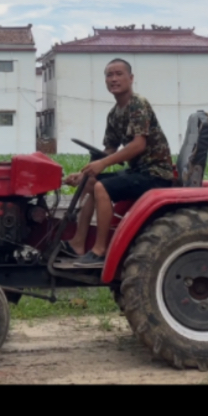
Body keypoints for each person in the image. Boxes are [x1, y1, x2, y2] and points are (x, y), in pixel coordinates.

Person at [62, 58, 175, 267]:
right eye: (109, 75)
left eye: (118, 74)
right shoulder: (114, 114)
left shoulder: (137, 104)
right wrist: (83, 172)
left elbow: (138, 145)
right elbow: (109, 150)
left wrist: (103, 164)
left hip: (155, 173)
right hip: (137, 172)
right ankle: (78, 243)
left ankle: (100, 250)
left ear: (131, 78)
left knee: (101, 187)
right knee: (89, 182)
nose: (114, 79)